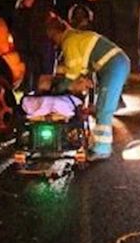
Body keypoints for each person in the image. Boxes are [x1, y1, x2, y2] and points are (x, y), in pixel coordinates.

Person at [45, 16, 130, 159]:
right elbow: (82, 68)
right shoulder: (75, 37)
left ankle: (102, 149)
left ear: (56, 33)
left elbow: (72, 72)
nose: (54, 43)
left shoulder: (69, 42)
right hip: (115, 64)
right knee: (102, 106)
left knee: (104, 109)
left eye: (53, 38)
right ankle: (100, 145)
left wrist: (58, 89)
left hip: (114, 66)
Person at [28, 0, 61, 84]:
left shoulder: (51, 2)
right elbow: (39, 21)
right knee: (44, 68)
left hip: (48, 40)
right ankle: (43, 89)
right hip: (42, 41)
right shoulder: (41, 2)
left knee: (48, 68)